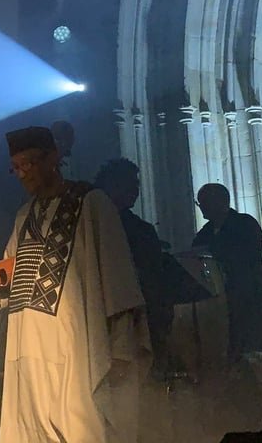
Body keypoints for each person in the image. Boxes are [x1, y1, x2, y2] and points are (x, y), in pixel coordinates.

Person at [0, 127, 147, 443]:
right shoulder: (24, 215)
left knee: (80, 426)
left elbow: (116, 276)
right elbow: (17, 270)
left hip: (73, 345)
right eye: (17, 167)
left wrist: (121, 347)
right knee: (28, 427)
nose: (24, 173)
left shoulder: (92, 203)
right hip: (26, 344)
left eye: (31, 163)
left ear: (53, 157)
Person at [93, 159, 172, 371]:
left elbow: (155, 279)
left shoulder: (141, 229)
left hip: (141, 318)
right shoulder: (93, 227)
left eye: (136, 185)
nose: (136, 191)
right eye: (130, 184)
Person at [190, 183, 262, 361]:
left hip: (247, 298)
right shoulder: (204, 233)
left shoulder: (245, 224)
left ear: (219, 201)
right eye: (200, 203)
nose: (201, 206)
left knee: (250, 355)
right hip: (219, 302)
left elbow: (245, 257)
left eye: (204, 202)